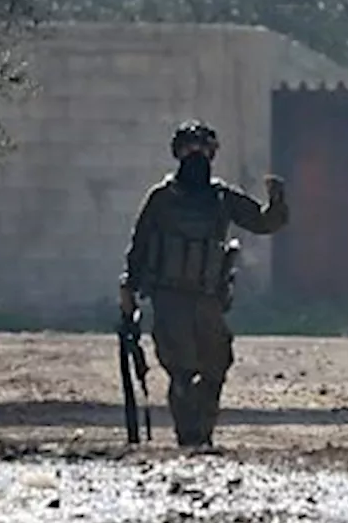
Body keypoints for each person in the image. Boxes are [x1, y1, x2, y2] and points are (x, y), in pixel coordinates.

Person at [118, 119, 290, 448]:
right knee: (181, 371)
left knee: (215, 368)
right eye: (188, 149)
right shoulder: (161, 199)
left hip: (208, 299)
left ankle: (202, 437)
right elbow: (138, 246)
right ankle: (188, 439)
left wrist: (277, 199)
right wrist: (128, 289)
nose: (195, 155)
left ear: (212, 154)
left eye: (202, 149)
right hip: (169, 298)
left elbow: (264, 222)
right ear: (178, 153)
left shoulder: (222, 198)